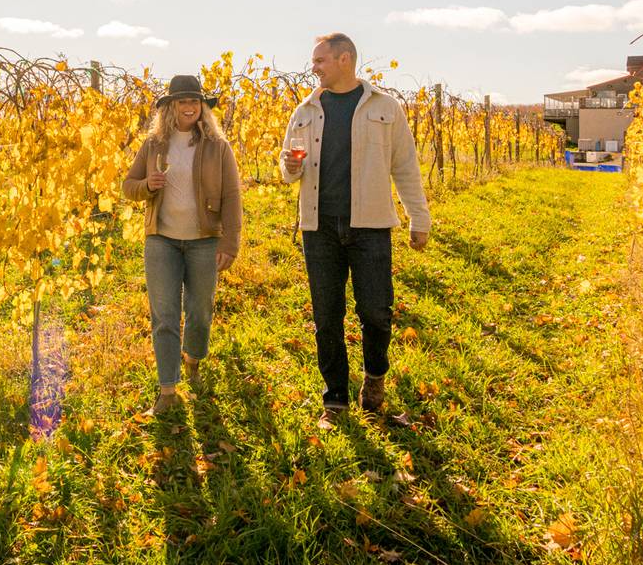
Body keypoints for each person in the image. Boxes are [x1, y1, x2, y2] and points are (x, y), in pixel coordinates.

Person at [280, 33, 430, 428]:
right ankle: (335, 399)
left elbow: (406, 166)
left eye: (320, 60)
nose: (313, 67)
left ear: (344, 59)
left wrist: (420, 217)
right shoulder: (306, 109)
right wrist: (290, 168)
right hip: (320, 227)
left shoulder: (384, 107)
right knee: (326, 315)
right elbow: (286, 165)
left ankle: (375, 380)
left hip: (371, 226)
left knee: (377, 313)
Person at [123, 74, 243, 416]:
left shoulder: (218, 147)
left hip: (204, 242)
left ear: (202, 108)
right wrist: (147, 184)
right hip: (162, 240)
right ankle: (167, 389)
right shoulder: (153, 145)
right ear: (170, 108)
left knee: (200, 311)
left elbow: (233, 197)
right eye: (182, 102)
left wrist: (230, 243)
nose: (189, 107)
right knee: (164, 315)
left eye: (195, 102)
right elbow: (128, 186)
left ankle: (193, 359)